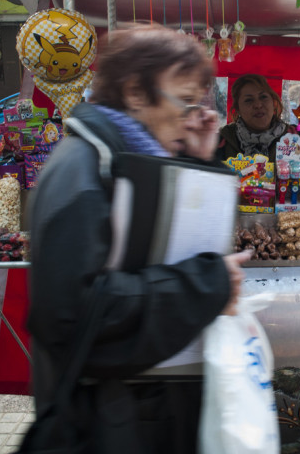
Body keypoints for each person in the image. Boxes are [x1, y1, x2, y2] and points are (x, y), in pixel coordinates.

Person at [26, 25, 250, 454]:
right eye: (183, 101)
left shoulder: (137, 160)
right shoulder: (84, 169)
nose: (191, 115)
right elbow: (76, 316)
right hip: (108, 423)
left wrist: (198, 161)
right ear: (135, 93)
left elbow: (177, 248)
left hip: (148, 411)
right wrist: (206, 284)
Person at [215, 73, 290, 161]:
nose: (258, 105)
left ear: (274, 103)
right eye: (249, 100)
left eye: (263, 97)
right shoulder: (221, 141)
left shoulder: (295, 137)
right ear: (237, 109)